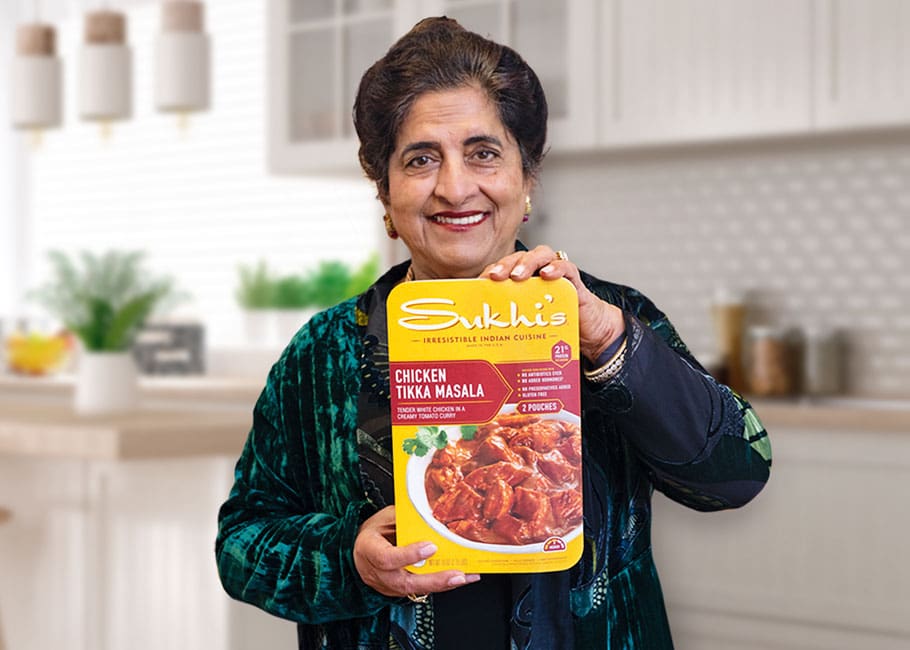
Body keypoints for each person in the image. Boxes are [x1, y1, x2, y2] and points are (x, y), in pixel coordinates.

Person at [216, 17, 771, 649]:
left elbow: (737, 475)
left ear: (527, 177)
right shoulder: (323, 352)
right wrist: (349, 559)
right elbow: (242, 541)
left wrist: (609, 344)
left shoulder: (609, 316)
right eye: (421, 159)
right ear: (386, 193)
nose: (455, 187)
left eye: (484, 153)